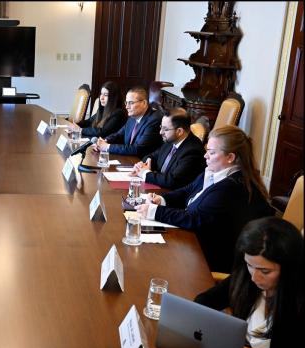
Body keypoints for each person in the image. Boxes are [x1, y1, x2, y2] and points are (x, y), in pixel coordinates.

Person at [135, 125, 274, 274]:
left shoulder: (231, 187)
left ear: (230, 157)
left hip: (212, 259)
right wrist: (162, 199)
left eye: (211, 152)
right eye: (207, 150)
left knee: (149, 263)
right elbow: (187, 191)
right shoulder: (214, 171)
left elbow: (196, 219)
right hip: (194, 241)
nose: (205, 156)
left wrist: (155, 212)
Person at [194, 217, 304, 348]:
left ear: (289, 269)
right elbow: (205, 300)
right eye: (249, 265)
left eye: (265, 271)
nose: (254, 277)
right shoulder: (248, 275)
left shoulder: (297, 302)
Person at [130, 107, 205, 189]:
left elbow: (173, 181)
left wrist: (145, 173)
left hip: (172, 193)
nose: (160, 132)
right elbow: (153, 156)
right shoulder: (171, 140)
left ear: (179, 131)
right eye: (161, 127)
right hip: (158, 188)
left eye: (165, 129)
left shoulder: (193, 151)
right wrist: (142, 165)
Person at [95, 86, 163, 158]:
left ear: (144, 103)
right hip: (129, 159)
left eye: (131, 103)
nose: (127, 107)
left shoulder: (154, 120)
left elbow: (138, 149)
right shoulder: (132, 117)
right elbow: (118, 135)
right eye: (126, 103)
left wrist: (107, 147)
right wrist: (104, 141)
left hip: (142, 162)